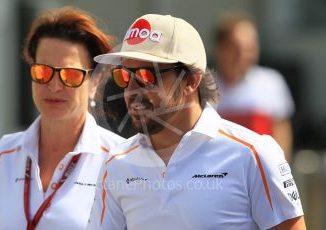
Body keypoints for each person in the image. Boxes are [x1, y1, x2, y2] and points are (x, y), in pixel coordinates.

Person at [87, 14, 305, 229]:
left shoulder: (253, 154)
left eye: (146, 76)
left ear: (190, 80)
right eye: (123, 76)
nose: (131, 90)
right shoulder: (115, 164)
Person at [0, 7, 124, 230]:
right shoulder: (2, 155)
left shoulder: (121, 161)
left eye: (70, 75)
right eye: (42, 72)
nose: (54, 86)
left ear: (95, 81)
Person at [213, 13, 295, 161]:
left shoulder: (271, 82)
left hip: (260, 172)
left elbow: (282, 131)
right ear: (220, 48)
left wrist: (280, 168)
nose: (244, 54)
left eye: (250, 47)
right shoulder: (201, 85)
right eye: (236, 47)